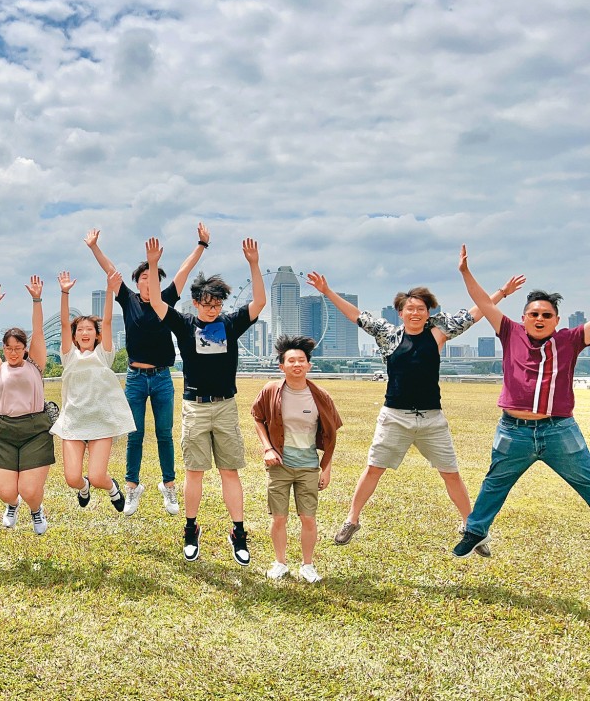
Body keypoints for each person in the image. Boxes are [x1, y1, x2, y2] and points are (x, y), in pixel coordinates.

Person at [307, 258, 524, 551]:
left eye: (421, 308)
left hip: (432, 418)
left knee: (451, 473)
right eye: (410, 308)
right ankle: (352, 519)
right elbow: (357, 316)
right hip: (394, 417)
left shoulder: (437, 333)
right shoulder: (388, 335)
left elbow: (474, 314)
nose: (415, 312)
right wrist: (328, 292)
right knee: (374, 468)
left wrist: (502, 292)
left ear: (428, 312)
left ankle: (471, 528)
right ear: (401, 312)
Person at [454, 246, 590, 557]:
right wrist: (464, 272)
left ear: (556, 320)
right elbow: (483, 303)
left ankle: (475, 529)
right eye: (534, 314)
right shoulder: (509, 332)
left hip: (558, 431)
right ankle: (475, 531)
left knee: (587, 479)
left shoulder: (570, 339)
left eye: (546, 315)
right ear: (524, 317)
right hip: (513, 431)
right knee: (495, 483)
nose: (539, 319)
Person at [146, 236, 265, 565]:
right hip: (195, 407)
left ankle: (238, 533)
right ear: (196, 303)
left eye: (217, 305)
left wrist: (254, 265)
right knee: (194, 471)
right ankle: (190, 528)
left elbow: (258, 304)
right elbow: (156, 303)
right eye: (207, 304)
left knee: (230, 471)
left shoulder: (230, 324)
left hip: (225, 406)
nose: (213, 310)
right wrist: (154, 264)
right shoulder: (184, 325)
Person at [84, 224, 210, 517]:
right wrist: (94, 247)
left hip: (162, 377)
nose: (147, 281)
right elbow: (110, 270)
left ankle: (169, 486)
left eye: (151, 277)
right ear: (137, 282)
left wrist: (202, 244)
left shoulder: (166, 299)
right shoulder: (127, 300)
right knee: (135, 434)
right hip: (136, 378)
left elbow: (184, 270)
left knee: (165, 434)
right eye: (143, 278)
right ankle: (132, 487)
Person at [252, 335, 342, 583]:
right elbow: (257, 417)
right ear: (281, 366)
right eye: (291, 360)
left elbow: (331, 435)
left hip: (309, 467)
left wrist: (326, 468)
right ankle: (280, 563)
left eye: (301, 360)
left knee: (308, 518)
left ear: (309, 365)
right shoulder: (271, 390)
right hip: (280, 465)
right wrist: (267, 448)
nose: (296, 364)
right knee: (279, 517)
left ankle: (308, 565)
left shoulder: (321, 396)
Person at [50, 270, 134, 512]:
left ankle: (112, 488)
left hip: (100, 420)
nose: (84, 332)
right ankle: (84, 487)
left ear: (96, 335)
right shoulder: (69, 356)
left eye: (89, 329)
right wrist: (64, 292)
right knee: (72, 479)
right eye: (80, 330)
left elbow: (107, 321)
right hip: (74, 421)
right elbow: (64, 323)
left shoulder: (103, 355)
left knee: (99, 476)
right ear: (75, 337)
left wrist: (110, 289)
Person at [0, 277, 54, 535]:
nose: (13, 352)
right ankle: (12, 506)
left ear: (25, 349)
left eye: (18, 348)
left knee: (30, 490)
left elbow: (39, 330)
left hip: (35, 429)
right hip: (3, 431)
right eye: (8, 348)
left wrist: (37, 299)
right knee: (7, 492)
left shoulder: (35, 364)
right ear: (3, 349)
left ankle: (36, 510)